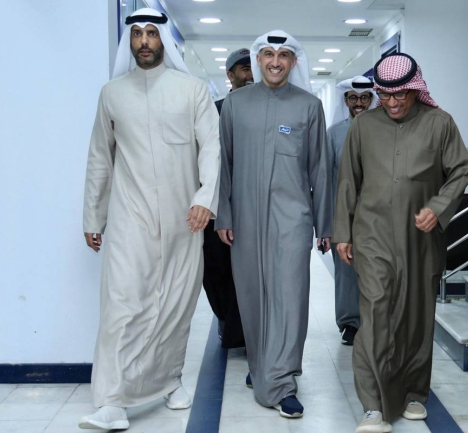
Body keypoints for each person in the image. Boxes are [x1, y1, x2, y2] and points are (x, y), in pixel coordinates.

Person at [79, 8, 220, 430]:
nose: (144, 41)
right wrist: (93, 216)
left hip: (185, 218)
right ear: (130, 41)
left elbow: (212, 148)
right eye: (137, 33)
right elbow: (100, 158)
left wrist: (205, 199)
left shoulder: (192, 90)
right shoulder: (112, 94)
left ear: (163, 41)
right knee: (122, 305)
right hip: (130, 215)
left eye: (151, 34)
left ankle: (169, 381)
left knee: (175, 304)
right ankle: (111, 400)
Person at [333, 53, 468, 433]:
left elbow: (461, 170)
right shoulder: (363, 127)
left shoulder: (440, 124)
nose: (392, 103)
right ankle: (373, 405)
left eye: (400, 95)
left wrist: (438, 208)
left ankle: (413, 393)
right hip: (372, 235)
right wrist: (343, 232)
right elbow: (348, 181)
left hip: (420, 239)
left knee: (415, 317)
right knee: (375, 313)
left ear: (415, 90)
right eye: (384, 95)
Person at [215, 30, 331, 418]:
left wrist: (324, 224)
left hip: (293, 218)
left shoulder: (309, 106)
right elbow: (224, 164)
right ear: (258, 60)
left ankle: (281, 382)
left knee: (290, 297)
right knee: (252, 297)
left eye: (283, 55)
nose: (276, 61)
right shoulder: (236, 104)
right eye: (268, 54)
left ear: (294, 62)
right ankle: (263, 365)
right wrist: (224, 215)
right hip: (245, 218)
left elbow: (320, 168)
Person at [203, 48, 253, 349]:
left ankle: (245, 331)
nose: (250, 74)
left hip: (253, 204)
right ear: (230, 75)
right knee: (216, 268)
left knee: (250, 271)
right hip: (217, 203)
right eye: (244, 68)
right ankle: (226, 319)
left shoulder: (264, 109)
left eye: (253, 67)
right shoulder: (213, 111)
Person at [327, 76, 378, 346]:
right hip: (343, 215)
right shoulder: (334, 134)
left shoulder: (385, 129)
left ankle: (374, 322)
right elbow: (325, 178)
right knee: (346, 272)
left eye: (364, 98)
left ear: (372, 100)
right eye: (353, 98)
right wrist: (325, 224)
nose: (359, 103)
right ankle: (350, 323)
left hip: (377, 216)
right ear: (345, 101)